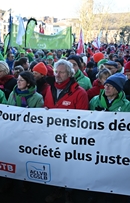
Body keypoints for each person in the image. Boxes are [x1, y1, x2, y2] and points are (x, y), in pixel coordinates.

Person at [44, 59, 88, 203]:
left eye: (61, 72)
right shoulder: (49, 89)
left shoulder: (80, 93)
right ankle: (57, 189)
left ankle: (69, 191)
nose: (57, 75)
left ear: (69, 73)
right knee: (56, 164)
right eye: (56, 71)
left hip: (70, 138)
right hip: (52, 136)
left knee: (70, 165)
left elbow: (82, 118)